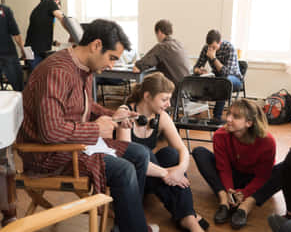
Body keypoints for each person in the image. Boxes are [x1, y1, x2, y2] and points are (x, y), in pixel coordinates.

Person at [17, 19, 159, 232]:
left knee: (140, 154)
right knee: (124, 170)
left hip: (71, 145)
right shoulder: (58, 71)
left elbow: (86, 106)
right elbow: (50, 131)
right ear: (96, 46)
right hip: (47, 154)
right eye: (111, 58)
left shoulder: (83, 69)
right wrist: (95, 129)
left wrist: (115, 115)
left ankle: (125, 225)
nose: (112, 65)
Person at [116, 72, 209, 232]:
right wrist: (166, 173)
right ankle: (189, 217)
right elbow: (129, 159)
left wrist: (180, 170)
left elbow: (182, 149)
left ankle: (188, 218)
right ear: (147, 96)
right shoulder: (126, 116)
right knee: (143, 152)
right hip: (133, 180)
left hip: (153, 177)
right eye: (164, 99)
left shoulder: (162, 117)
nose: (168, 104)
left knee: (170, 153)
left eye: (169, 99)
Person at [192, 99, 276, 229]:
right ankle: (224, 200)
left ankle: (246, 206)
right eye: (229, 113)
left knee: (281, 170)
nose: (229, 119)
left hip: (254, 179)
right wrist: (229, 190)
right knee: (199, 152)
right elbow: (223, 168)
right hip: (233, 174)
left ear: (249, 123)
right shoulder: (220, 135)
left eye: (235, 117)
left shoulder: (267, 141)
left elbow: (262, 176)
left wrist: (245, 193)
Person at [133, 19, 190, 103]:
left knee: (146, 89)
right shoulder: (179, 44)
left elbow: (140, 66)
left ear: (159, 32)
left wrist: (137, 65)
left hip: (174, 93)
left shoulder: (162, 47)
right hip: (187, 91)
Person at [193, 29, 242, 121]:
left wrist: (213, 58)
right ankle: (195, 109)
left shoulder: (229, 48)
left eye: (214, 47)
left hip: (234, 79)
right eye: (209, 46)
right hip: (217, 77)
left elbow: (226, 72)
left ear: (220, 42)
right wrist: (199, 71)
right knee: (197, 78)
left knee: (223, 81)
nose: (211, 49)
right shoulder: (206, 48)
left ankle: (217, 117)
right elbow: (196, 67)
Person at [25, 0, 67, 71]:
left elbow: (38, 31)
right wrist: (73, 34)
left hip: (29, 48)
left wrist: (54, 43)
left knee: (34, 75)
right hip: (35, 50)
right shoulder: (50, 2)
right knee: (38, 75)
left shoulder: (39, 8)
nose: (58, 9)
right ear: (56, 2)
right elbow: (63, 19)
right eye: (58, 7)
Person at [0, 4, 25, 91]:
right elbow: (15, 34)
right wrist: (23, 50)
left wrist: (23, 49)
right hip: (8, 55)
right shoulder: (4, 10)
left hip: (8, 54)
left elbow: (15, 33)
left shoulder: (5, 10)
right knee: (19, 89)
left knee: (19, 87)